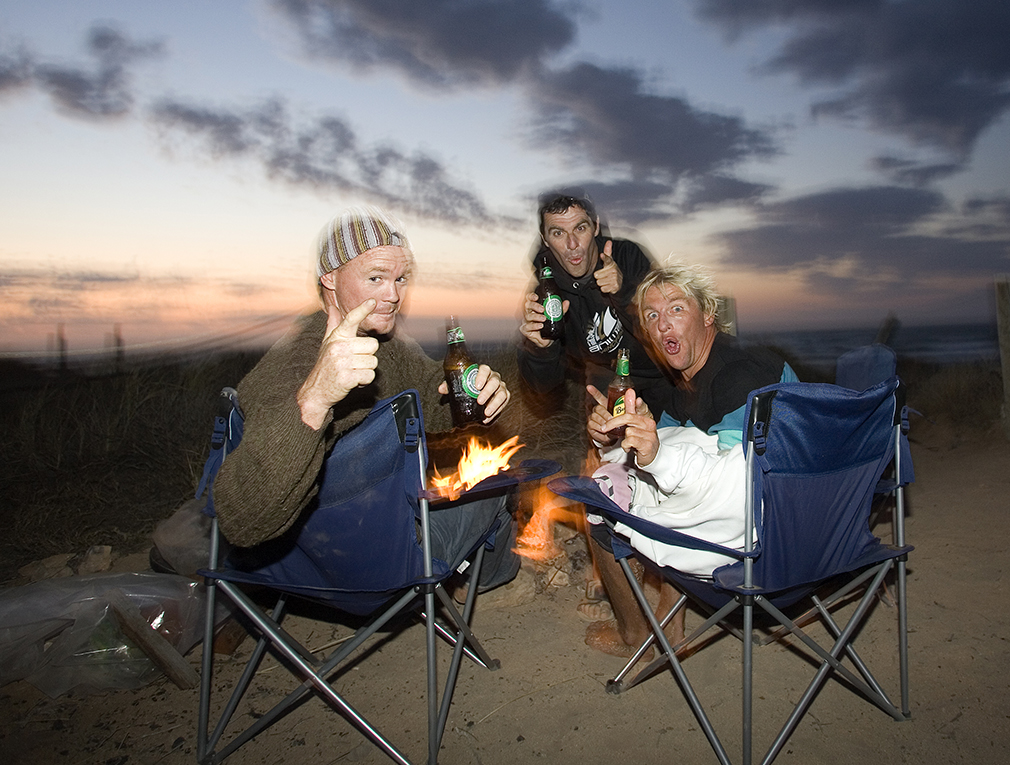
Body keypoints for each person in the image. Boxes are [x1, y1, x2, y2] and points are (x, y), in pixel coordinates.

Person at [210, 205, 520, 593]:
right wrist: (315, 398)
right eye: (375, 277)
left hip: (306, 560)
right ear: (329, 277)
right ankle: (494, 583)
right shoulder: (294, 365)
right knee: (498, 481)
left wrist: (476, 395)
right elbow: (240, 521)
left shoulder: (383, 341)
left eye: (400, 278)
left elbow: (431, 394)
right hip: (375, 565)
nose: (393, 295)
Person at [581, 261, 795, 657]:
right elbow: (668, 444)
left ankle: (638, 633)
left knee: (600, 498)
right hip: (789, 520)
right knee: (611, 469)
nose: (663, 324)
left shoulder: (739, 376)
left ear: (708, 313)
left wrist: (652, 455)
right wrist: (615, 437)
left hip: (775, 538)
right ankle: (671, 617)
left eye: (677, 309)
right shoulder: (685, 384)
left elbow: (737, 490)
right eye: (651, 316)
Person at [517, 191, 670, 416]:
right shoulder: (545, 295)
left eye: (580, 228)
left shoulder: (628, 257)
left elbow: (667, 329)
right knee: (605, 434)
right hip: (605, 378)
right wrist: (541, 349)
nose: (572, 244)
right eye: (558, 233)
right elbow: (543, 387)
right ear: (545, 239)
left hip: (659, 370)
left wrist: (624, 291)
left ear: (595, 226)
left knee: (675, 432)